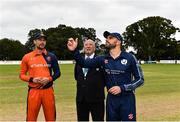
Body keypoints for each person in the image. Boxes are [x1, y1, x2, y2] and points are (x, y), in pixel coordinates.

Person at [67, 31, 144, 121]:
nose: (107, 40)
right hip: (111, 100)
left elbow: (140, 79)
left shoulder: (130, 57)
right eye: (106, 38)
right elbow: (83, 63)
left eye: (110, 38)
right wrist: (74, 51)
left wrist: (122, 88)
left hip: (127, 99)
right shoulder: (102, 59)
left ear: (118, 42)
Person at [19, 31, 60, 121]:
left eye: (44, 40)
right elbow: (21, 75)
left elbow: (58, 73)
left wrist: (49, 79)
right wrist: (32, 79)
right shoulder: (27, 57)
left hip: (48, 91)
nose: (42, 42)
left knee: (51, 118)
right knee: (31, 119)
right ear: (34, 41)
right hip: (34, 92)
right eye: (39, 40)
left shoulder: (51, 56)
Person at [74, 39, 105, 121]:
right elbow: (77, 76)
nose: (88, 46)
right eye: (86, 44)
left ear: (94, 48)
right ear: (83, 47)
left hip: (97, 99)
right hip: (81, 99)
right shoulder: (79, 60)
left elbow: (104, 79)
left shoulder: (101, 60)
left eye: (90, 44)